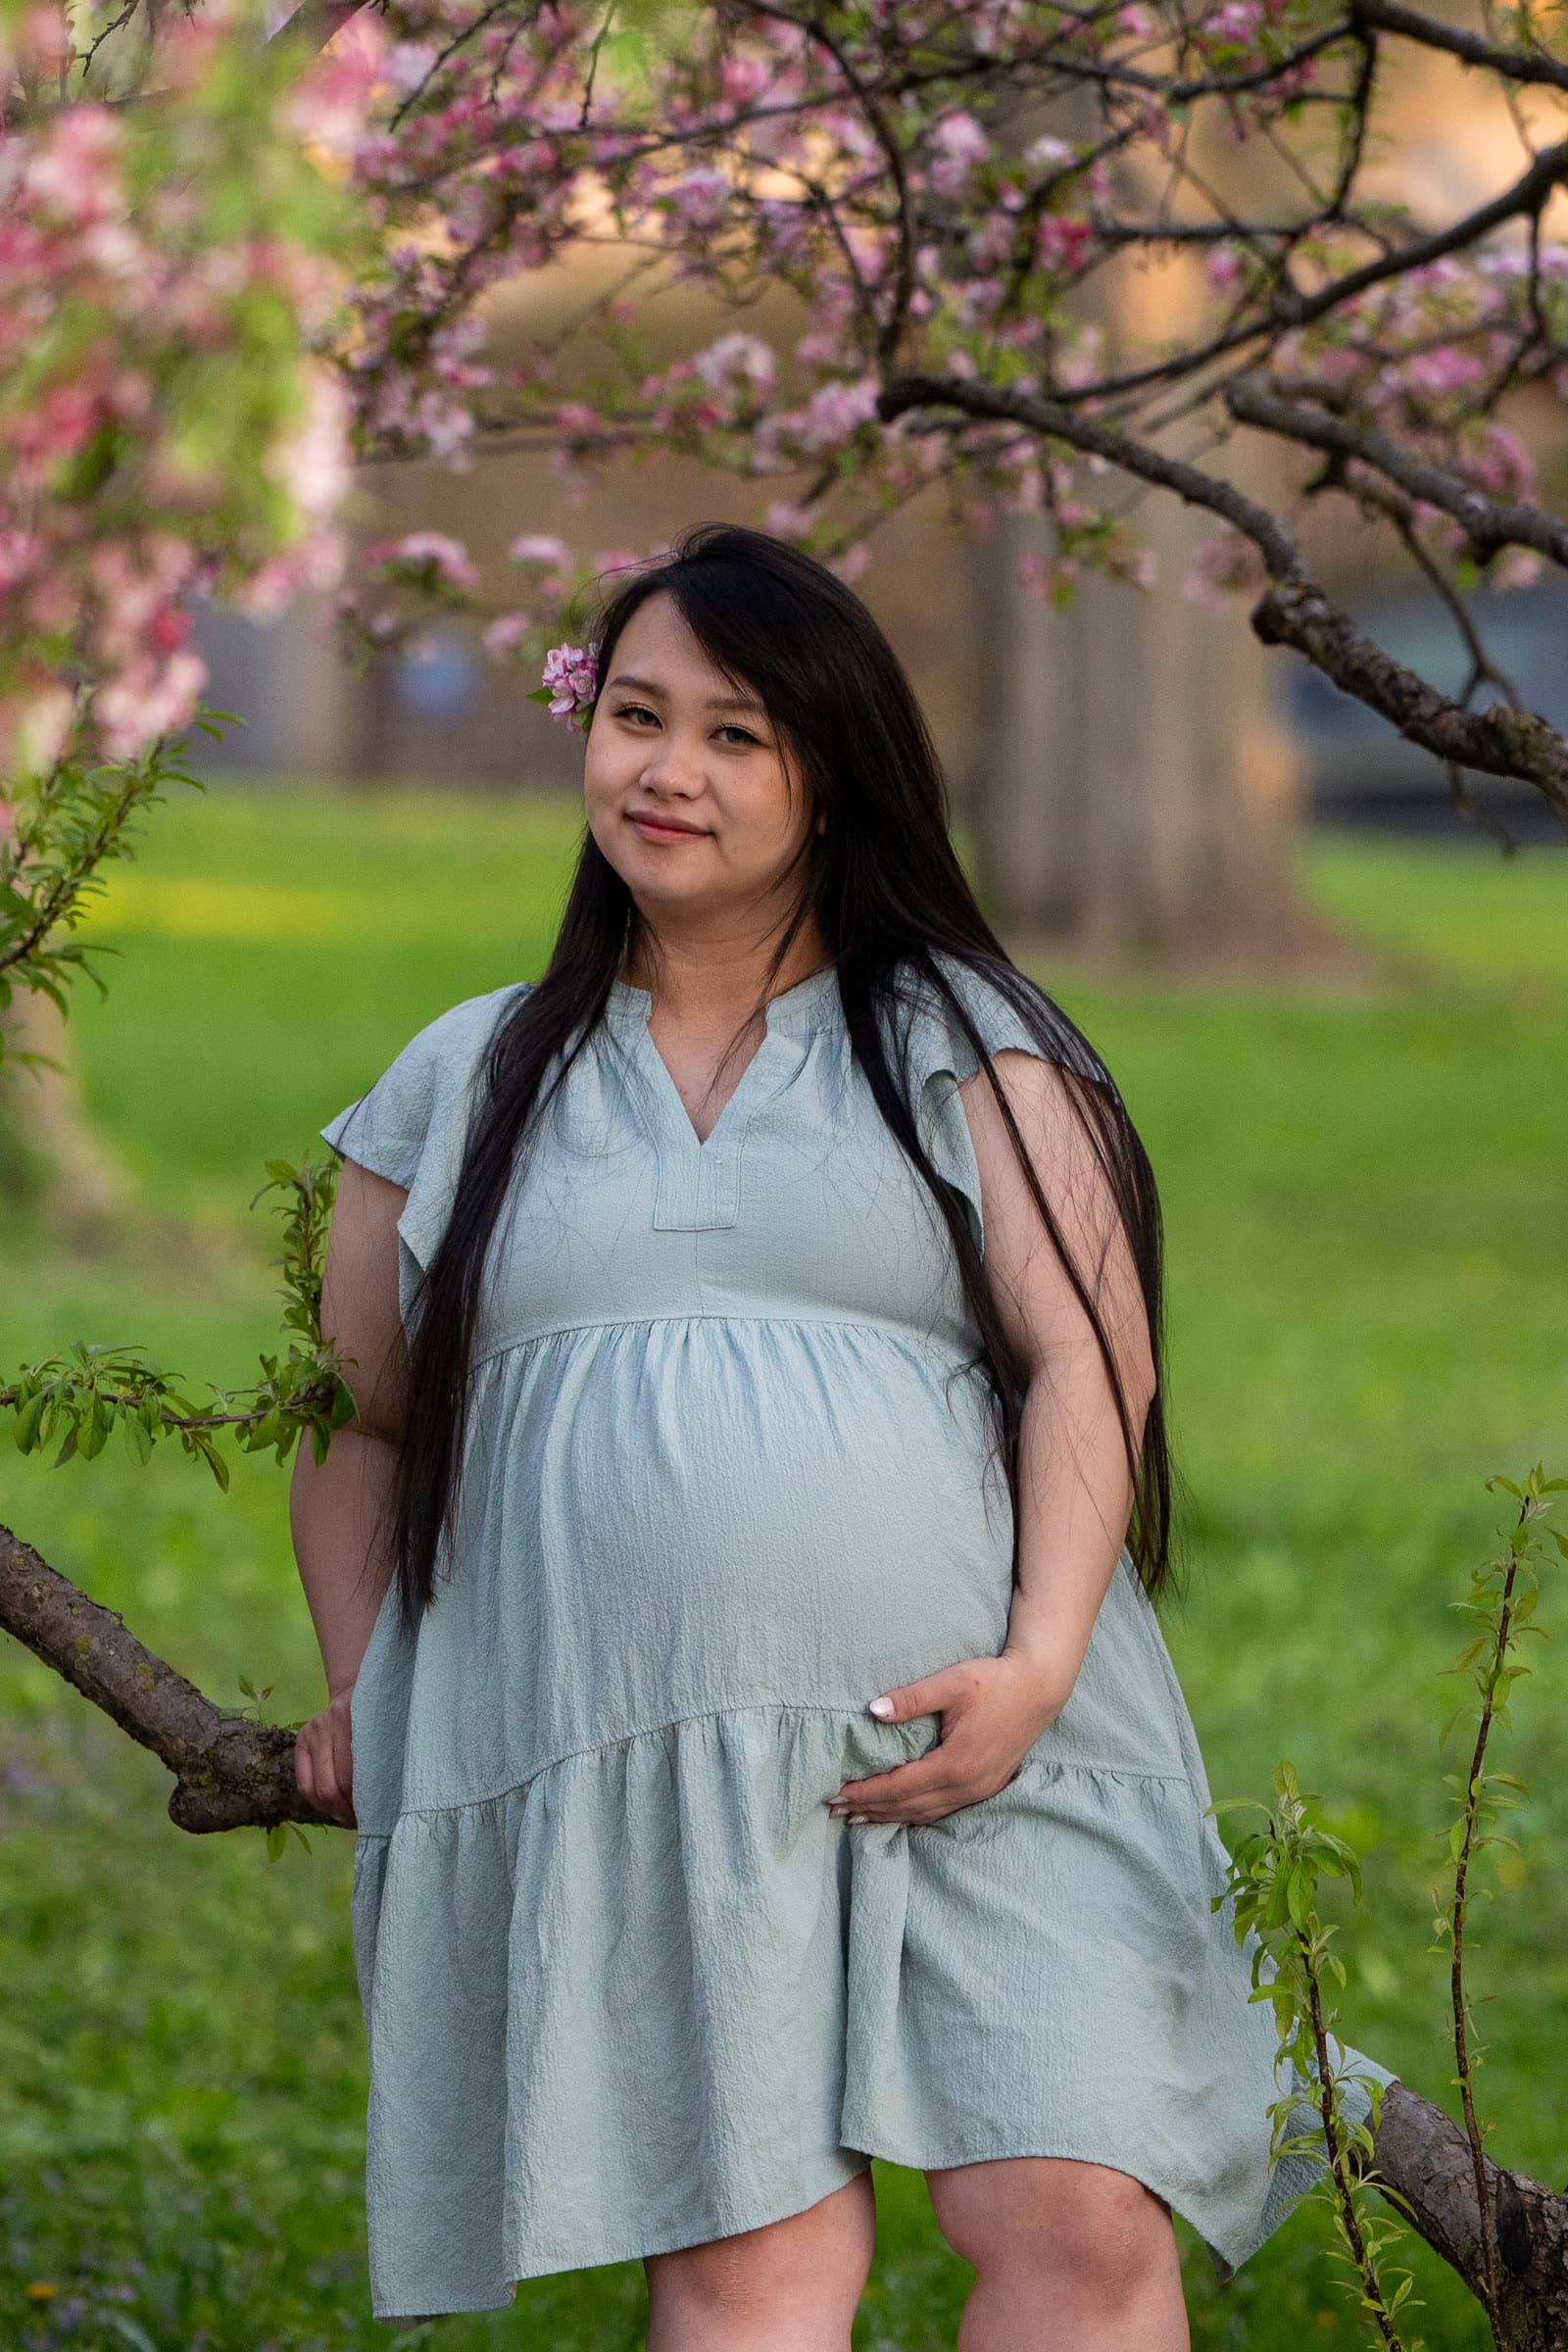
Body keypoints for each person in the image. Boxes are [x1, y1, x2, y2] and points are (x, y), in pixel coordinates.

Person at [290, 522, 1393, 2347]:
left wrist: (1039, 1663)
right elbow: (360, 1427)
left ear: (834, 772)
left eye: (737, 735)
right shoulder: (464, 1079)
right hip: (647, 1767)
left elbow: (1085, 1367)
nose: (667, 770)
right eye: (636, 717)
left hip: (997, 1735)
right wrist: (362, 1688)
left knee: (1081, 2220)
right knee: (750, 2268)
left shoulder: (968, 1037)